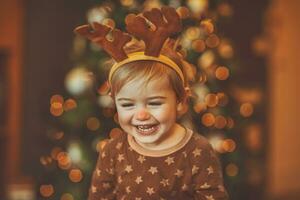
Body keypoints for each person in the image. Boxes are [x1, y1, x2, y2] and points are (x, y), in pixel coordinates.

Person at [75, 6, 228, 200]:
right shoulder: (113, 151)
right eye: (128, 105)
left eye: (154, 103)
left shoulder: (198, 151)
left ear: (181, 101)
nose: (141, 115)